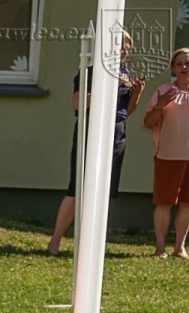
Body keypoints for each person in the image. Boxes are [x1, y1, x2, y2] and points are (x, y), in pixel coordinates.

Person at [47, 32, 144, 256]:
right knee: (77, 186)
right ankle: (55, 241)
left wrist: (136, 93)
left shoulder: (126, 74)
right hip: (91, 128)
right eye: (118, 45)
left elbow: (126, 111)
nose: (123, 50)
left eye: (126, 46)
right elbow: (78, 103)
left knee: (104, 189)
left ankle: (90, 245)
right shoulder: (90, 72)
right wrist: (107, 85)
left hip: (117, 130)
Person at [143, 47, 189, 259]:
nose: (184, 67)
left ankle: (179, 247)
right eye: (179, 63)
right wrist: (160, 106)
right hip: (168, 156)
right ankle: (160, 248)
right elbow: (148, 122)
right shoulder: (163, 91)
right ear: (173, 68)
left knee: (187, 203)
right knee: (164, 202)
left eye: (187, 63)